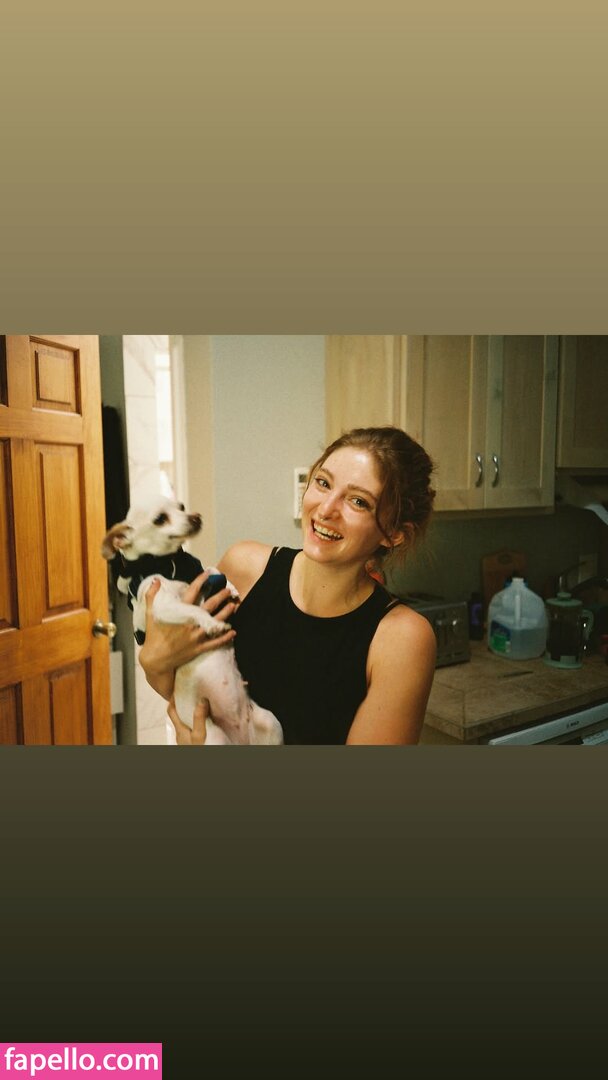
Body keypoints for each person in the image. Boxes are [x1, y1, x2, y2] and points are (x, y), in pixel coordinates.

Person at [139, 426, 437, 745]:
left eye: (358, 502)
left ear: (394, 533)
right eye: (323, 483)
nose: (326, 509)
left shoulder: (401, 638)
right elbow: (184, 686)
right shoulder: (244, 568)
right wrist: (153, 662)